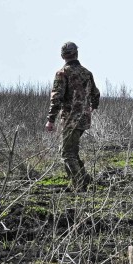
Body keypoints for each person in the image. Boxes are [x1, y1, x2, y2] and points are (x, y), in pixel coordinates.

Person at [45, 41, 100, 186]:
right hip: (84, 119)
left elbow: (56, 97)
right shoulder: (87, 73)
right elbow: (96, 94)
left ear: (63, 56)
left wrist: (51, 119)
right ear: (76, 53)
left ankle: (80, 183)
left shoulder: (62, 73)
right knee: (70, 151)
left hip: (70, 119)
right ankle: (86, 180)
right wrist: (91, 107)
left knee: (67, 153)